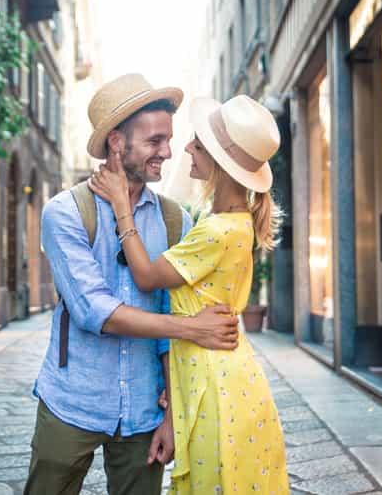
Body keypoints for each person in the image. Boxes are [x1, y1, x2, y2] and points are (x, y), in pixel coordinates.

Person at [24, 73, 239, 495]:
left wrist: (173, 412)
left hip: (145, 409)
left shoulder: (176, 219)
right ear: (117, 143)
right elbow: (93, 311)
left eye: (169, 139)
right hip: (73, 400)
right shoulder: (64, 213)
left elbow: (172, 309)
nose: (167, 152)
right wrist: (192, 328)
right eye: (155, 141)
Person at [89, 94, 290, 494]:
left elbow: (146, 277)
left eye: (197, 143)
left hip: (215, 384)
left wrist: (120, 208)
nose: (186, 148)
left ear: (217, 162)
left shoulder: (217, 230)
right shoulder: (222, 221)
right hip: (220, 373)